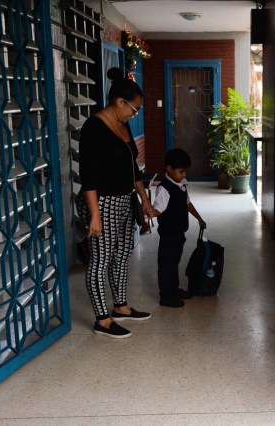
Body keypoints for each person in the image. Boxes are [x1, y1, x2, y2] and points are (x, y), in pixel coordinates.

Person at [77, 67, 154, 338]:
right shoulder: (93, 128)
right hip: (102, 203)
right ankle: (102, 320)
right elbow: (87, 176)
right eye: (134, 109)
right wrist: (95, 215)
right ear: (119, 102)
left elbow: (133, 168)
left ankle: (120, 306)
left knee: (122, 254)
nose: (135, 114)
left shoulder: (123, 125)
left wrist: (144, 200)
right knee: (100, 259)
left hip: (124, 200)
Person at [152, 148, 207, 307]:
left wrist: (199, 218)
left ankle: (174, 289)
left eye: (185, 172)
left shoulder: (181, 184)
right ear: (169, 169)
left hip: (179, 233)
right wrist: (150, 212)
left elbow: (187, 203)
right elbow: (158, 210)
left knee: (174, 262)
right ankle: (166, 296)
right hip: (168, 235)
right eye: (181, 171)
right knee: (166, 265)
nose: (184, 175)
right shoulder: (164, 189)